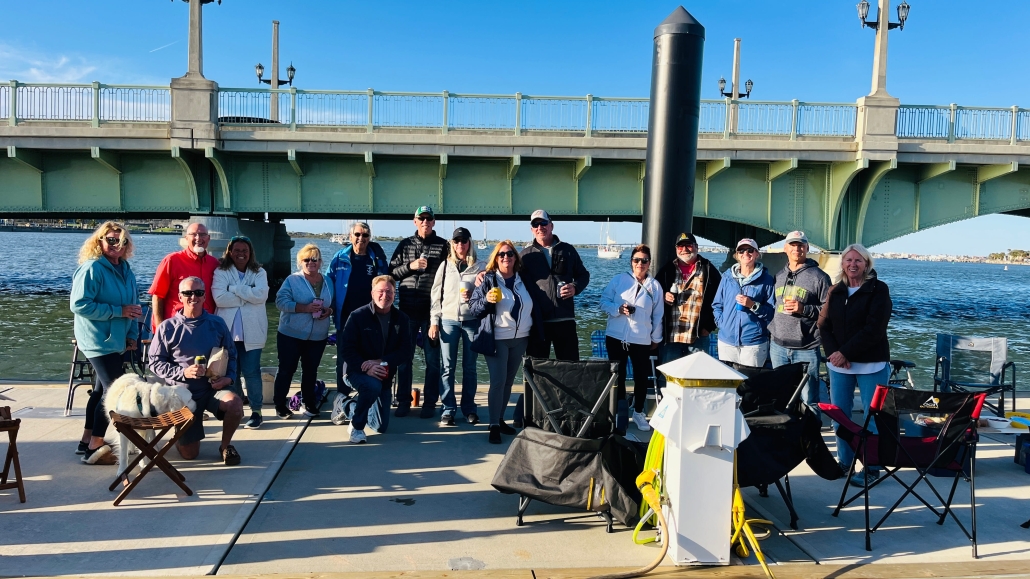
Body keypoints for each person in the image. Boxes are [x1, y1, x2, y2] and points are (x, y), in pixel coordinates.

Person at [818, 243, 893, 487]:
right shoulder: (835, 291)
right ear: (842, 264)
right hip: (839, 365)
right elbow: (823, 325)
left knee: (873, 418)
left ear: (866, 264)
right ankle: (845, 461)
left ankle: (872, 466)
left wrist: (845, 352)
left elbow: (874, 329)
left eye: (858, 260)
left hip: (871, 364)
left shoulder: (878, 289)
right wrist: (834, 354)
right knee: (840, 416)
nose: (853, 264)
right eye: (849, 260)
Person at [148, 277, 243, 465]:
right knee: (190, 454)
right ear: (180, 297)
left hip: (212, 390)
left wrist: (229, 378)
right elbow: (155, 363)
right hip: (181, 395)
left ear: (205, 296)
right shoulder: (167, 327)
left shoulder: (217, 323)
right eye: (188, 293)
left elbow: (232, 355)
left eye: (198, 293)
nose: (193, 297)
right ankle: (181, 437)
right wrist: (183, 373)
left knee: (235, 404)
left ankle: (225, 446)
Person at [70, 222, 142, 465]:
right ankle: (95, 446)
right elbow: (79, 304)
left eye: (122, 241)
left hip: (117, 341)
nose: (116, 245)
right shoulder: (92, 268)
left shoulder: (126, 270)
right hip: (97, 341)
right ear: (99, 241)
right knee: (115, 391)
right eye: (110, 240)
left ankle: (86, 441)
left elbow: (133, 306)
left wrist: (132, 334)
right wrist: (117, 311)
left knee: (101, 391)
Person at [468, 241, 538, 444]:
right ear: (496, 259)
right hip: (497, 338)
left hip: (521, 338)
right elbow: (473, 308)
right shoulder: (488, 279)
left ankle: (499, 418)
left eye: (510, 254)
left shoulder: (524, 279)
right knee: (498, 382)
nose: (506, 257)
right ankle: (494, 425)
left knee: (508, 382)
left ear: (515, 257)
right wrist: (486, 300)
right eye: (501, 255)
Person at [338, 276, 415, 444]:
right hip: (356, 370)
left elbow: (405, 351)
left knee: (379, 426)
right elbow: (346, 349)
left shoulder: (402, 319)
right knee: (372, 386)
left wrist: (381, 361)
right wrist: (365, 366)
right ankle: (357, 428)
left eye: (389, 292)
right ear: (372, 293)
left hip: (383, 373)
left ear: (395, 294)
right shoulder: (357, 316)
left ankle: (346, 404)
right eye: (380, 291)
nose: (384, 295)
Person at [389, 205, 450, 418]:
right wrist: (411, 266)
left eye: (428, 219)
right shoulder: (404, 245)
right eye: (421, 219)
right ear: (414, 221)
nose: (425, 222)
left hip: (431, 313)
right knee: (404, 360)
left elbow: (451, 274)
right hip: (406, 312)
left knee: (433, 362)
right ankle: (403, 401)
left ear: (433, 222)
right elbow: (391, 273)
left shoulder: (443, 245)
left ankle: (430, 403)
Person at [599, 244, 663, 432]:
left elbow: (658, 315)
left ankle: (638, 412)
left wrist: (655, 338)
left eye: (644, 260)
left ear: (649, 263)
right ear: (631, 261)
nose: (640, 264)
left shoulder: (655, 286)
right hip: (615, 337)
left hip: (640, 339)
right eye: (636, 260)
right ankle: (619, 410)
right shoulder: (619, 280)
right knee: (617, 375)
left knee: (641, 377)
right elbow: (603, 302)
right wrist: (617, 309)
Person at [769, 230, 832, 416]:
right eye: (793, 245)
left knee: (809, 398)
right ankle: (786, 431)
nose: (797, 249)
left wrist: (804, 309)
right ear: (785, 248)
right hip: (778, 347)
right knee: (781, 395)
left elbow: (829, 311)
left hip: (806, 348)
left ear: (807, 248)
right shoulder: (779, 276)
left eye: (801, 245)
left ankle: (810, 433)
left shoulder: (820, 277)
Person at [429, 227, 486, 426]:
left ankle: (469, 409)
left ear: (470, 243)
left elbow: (488, 293)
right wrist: (434, 321)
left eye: (463, 241)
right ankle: (448, 409)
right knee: (447, 367)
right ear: (452, 244)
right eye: (456, 241)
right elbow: (436, 295)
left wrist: (475, 294)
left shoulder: (480, 266)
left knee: (470, 367)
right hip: (448, 320)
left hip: (471, 321)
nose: (460, 244)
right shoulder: (445, 266)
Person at [326, 222, 390, 398]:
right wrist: (329, 307)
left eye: (365, 235)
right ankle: (342, 398)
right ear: (350, 236)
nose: (361, 238)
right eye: (357, 234)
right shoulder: (339, 257)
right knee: (344, 360)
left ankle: (369, 397)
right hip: (345, 318)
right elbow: (328, 283)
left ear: (370, 238)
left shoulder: (376, 259)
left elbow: (387, 283)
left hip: (371, 319)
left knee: (371, 359)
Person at [212, 235, 269, 429]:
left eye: (245, 250)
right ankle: (236, 408)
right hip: (228, 332)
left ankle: (256, 411)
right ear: (229, 252)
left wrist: (233, 289)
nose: (241, 254)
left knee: (251, 372)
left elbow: (261, 295)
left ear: (250, 253)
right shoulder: (221, 271)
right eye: (236, 250)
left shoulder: (259, 272)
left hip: (252, 332)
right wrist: (248, 295)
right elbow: (220, 299)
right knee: (232, 373)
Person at [519, 209, 590, 361]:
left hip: (565, 320)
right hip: (537, 321)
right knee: (536, 368)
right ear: (532, 229)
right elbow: (508, 274)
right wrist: (484, 273)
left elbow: (584, 275)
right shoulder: (525, 255)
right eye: (535, 225)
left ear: (551, 225)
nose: (540, 227)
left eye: (543, 223)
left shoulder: (568, 250)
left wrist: (575, 287)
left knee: (570, 368)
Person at [273, 243, 333, 419]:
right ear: (300, 262)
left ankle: (309, 402)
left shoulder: (328, 281)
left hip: (318, 336)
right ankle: (280, 404)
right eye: (306, 259)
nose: (311, 262)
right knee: (286, 369)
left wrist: (329, 311)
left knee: (310, 370)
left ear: (320, 262)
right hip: (290, 334)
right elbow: (280, 302)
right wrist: (304, 308)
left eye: (314, 259)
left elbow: (334, 304)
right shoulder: (292, 280)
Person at [655, 233, 721, 388]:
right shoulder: (667, 269)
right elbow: (653, 294)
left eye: (688, 245)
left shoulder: (709, 269)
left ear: (696, 247)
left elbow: (720, 299)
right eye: (680, 246)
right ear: (676, 249)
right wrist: (663, 296)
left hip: (698, 335)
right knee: (668, 378)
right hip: (672, 335)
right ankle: (666, 402)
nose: (684, 249)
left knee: (698, 378)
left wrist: (709, 327)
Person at [711, 238, 776, 368]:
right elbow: (717, 305)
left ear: (757, 254)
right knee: (727, 379)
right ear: (737, 255)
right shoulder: (727, 277)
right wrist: (722, 324)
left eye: (750, 250)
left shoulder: (767, 280)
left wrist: (753, 305)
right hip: (727, 342)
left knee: (751, 380)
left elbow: (772, 312)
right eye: (741, 250)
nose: (745, 253)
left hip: (753, 343)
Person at [149, 222, 219, 330]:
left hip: (207, 328)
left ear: (208, 238)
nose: (198, 238)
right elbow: (158, 296)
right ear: (186, 238)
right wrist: (159, 329)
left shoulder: (214, 264)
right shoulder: (172, 260)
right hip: (177, 327)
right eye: (193, 234)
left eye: (202, 234)